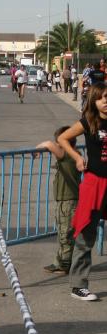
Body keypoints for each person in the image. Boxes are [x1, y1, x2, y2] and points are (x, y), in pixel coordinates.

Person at [58, 84, 107, 301]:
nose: (105, 101)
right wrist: (78, 157)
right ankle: (78, 285)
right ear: (94, 101)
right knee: (86, 235)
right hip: (94, 183)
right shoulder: (89, 121)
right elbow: (63, 139)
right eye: (102, 98)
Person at [36, 127, 81, 276]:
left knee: (65, 234)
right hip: (66, 200)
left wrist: (37, 149)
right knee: (63, 232)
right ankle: (60, 261)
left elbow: (49, 144)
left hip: (68, 201)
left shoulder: (68, 155)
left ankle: (65, 265)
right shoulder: (75, 154)